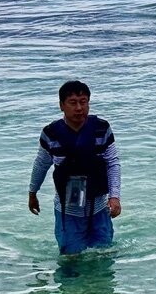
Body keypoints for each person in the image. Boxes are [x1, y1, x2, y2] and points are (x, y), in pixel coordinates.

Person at [28, 80, 122, 256]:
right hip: (68, 210)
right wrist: (32, 193)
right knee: (70, 259)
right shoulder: (51, 134)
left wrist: (115, 196)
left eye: (83, 102)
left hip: (99, 206)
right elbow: (41, 164)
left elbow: (112, 163)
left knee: (104, 255)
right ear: (61, 106)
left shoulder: (102, 129)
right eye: (73, 103)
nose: (79, 108)